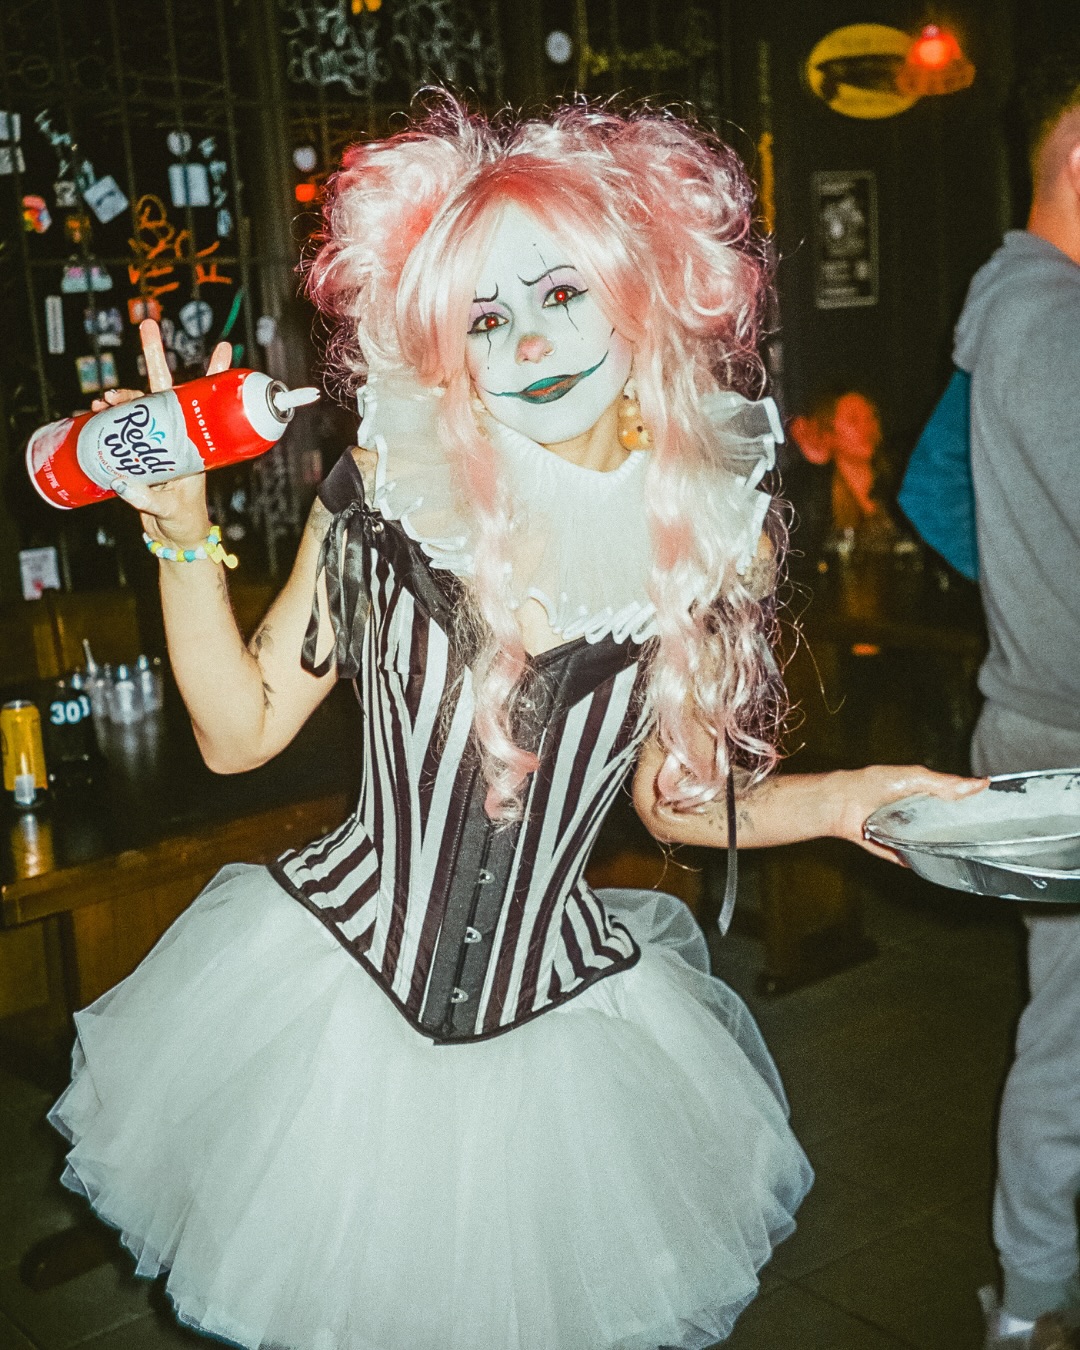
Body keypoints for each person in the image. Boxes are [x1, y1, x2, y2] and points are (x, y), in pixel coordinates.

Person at [48, 100, 984, 1350]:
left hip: (561, 1043)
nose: (530, 342)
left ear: (639, 296)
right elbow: (239, 730)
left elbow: (678, 803)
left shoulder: (711, 536)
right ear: (443, 341)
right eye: (484, 318)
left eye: (560, 294)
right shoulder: (385, 494)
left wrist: (851, 799)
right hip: (335, 1011)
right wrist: (179, 533)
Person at [949, 58, 1080, 1350]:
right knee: (1069, 1047)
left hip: (1040, 723)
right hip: (1068, 741)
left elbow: (939, 491)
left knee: (1067, 1036)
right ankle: (1033, 1302)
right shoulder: (1055, 319)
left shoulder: (1012, 310)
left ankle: (1033, 1297)